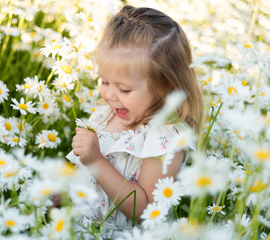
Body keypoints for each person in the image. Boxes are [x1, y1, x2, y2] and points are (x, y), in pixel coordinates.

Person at [66, 5, 203, 239]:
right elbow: (84, 175)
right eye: (105, 81)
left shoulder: (164, 138)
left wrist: (97, 160)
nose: (109, 95)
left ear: (165, 86)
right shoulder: (106, 115)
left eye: (124, 89)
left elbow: (147, 211)